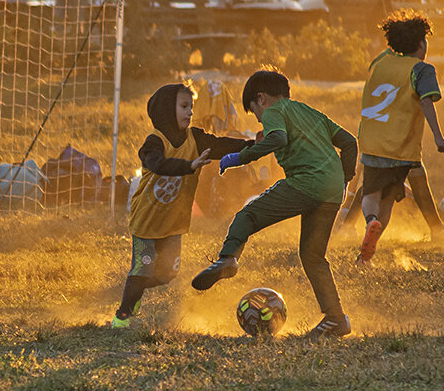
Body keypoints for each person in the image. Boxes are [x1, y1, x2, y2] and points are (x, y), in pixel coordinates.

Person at [191, 70, 358, 339]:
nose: (258, 118)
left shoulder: (273, 111)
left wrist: (240, 157)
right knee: (313, 257)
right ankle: (336, 319)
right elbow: (349, 142)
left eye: (254, 111)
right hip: (331, 189)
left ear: (262, 99)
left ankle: (228, 259)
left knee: (247, 215)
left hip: (306, 182)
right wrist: (345, 180)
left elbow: (278, 138)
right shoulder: (308, 111)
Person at [109, 83, 251, 329]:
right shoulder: (154, 142)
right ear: (166, 109)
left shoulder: (194, 137)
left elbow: (219, 145)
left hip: (173, 223)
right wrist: (189, 166)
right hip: (147, 221)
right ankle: (123, 315)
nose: (190, 112)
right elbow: (158, 164)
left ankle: (136, 288)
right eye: (184, 106)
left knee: (167, 275)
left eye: (191, 107)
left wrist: (250, 144)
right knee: (142, 268)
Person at [354, 10, 444, 267]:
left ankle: (370, 224)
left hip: (372, 142)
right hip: (400, 148)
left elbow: (390, 52)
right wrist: (438, 136)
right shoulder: (422, 70)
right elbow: (426, 102)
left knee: (371, 193)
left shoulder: (379, 61)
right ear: (422, 44)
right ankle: (369, 249)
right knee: (388, 199)